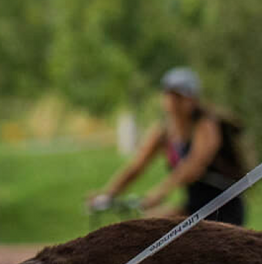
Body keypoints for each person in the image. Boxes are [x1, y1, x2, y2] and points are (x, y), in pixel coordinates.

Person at [90, 68, 246, 226]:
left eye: (179, 97)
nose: (174, 102)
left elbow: (194, 166)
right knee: (145, 228)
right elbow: (136, 167)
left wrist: (159, 194)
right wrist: (108, 195)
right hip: (193, 206)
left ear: (193, 99)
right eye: (170, 95)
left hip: (223, 207)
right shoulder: (163, 133)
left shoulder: (205, 125)